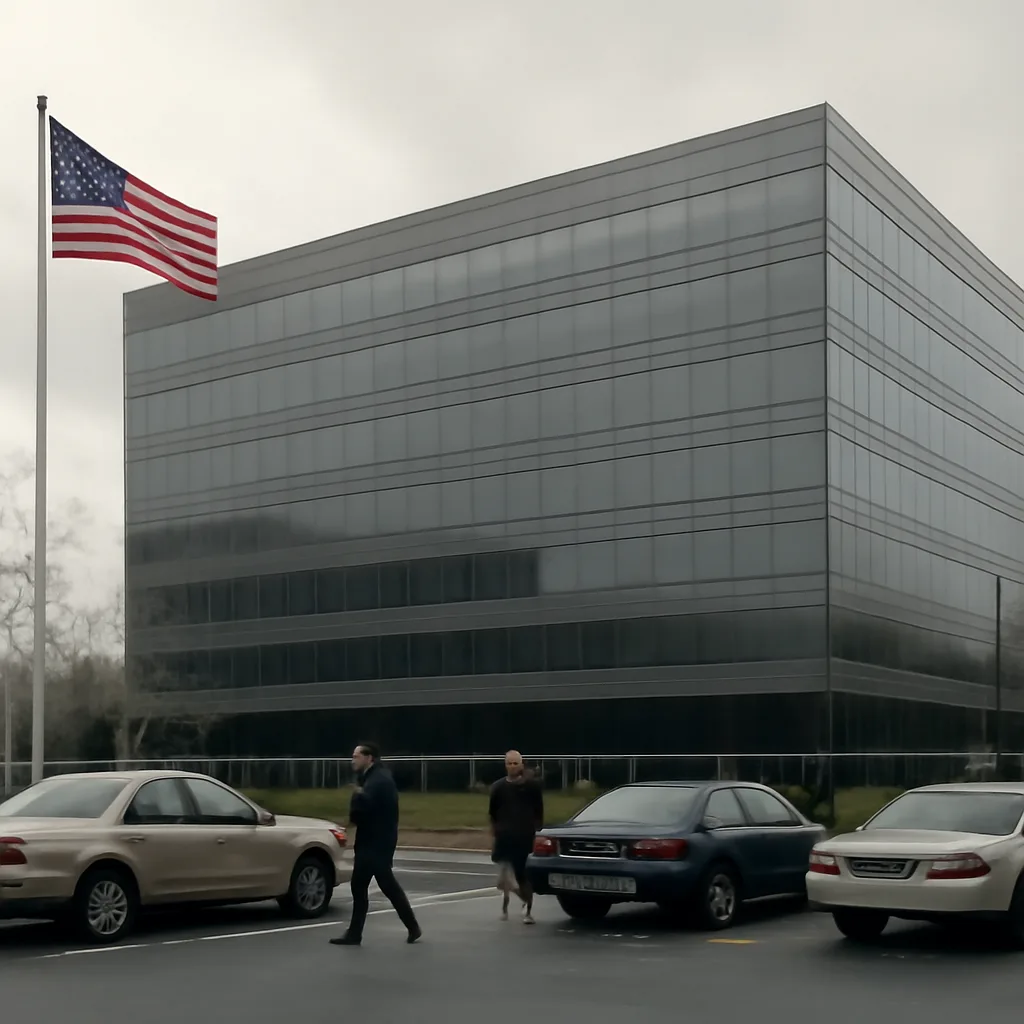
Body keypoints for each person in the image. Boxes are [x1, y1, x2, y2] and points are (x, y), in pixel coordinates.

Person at [329, 742, 422, 946]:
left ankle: (358, 933)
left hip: (376, 843)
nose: (353, 760)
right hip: (375, 842)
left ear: (369, 758)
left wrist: (356, 797)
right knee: (369, 886)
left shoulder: (378, 781)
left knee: (376, 886)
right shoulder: (374, 778)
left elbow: (364, 810)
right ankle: (409, 927)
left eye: (357, 756)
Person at [489, 750, 544, 924]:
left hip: (524, 836)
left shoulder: (531, 786)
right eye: (509, 763)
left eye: (515, 763)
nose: (512, 766)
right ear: (505, 765)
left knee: (522, 875)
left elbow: (539, 810)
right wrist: (495, 830)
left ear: (521, 764)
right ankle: (505, 907)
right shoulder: (498, 787)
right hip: (504, 837)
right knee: (504, 878)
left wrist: (537, 830)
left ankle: (528, 909)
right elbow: (492, 812)